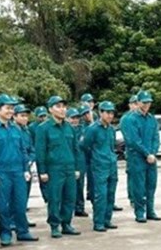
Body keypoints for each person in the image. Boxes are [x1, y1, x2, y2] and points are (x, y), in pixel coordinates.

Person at [0, 94, 38, 246]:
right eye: (7, 108)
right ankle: (5, 233)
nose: (10, 111)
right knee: (3, 205)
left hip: (18, 171)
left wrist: (26, 168)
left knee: (20, 203)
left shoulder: (16, 129)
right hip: (1, 172)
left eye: (12, 108)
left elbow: (23, 150)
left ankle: (23, 231)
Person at [35, 96, 80, 238]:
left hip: (69, 167)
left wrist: (77, 168)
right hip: (54, 168)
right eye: (58, 106)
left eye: (64, 106)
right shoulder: (44, 128)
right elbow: (40, 151)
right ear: (50, 109)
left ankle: (66, 223)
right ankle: (55, 225)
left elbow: (76, 149)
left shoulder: (69, 128)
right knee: (55, 198)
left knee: (70, 197)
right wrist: (42, 171)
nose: (62, 109)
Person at [81, 101, 119, 232]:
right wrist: (95, 157)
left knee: (110, 193)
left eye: (112, 113)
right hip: (99, 165)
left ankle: (107, 220)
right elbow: (85, 145)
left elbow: (112, 146)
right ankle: (98, 222)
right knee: (100, 194)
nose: (110, 115)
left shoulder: (111, 129)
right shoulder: (92, 129)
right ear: (100, 113)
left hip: (111, 164)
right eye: (107, 112)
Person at [125, 90, 160, 223]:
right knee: (138, 186)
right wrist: (147, 153)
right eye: (144, 102)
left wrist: (153, 153)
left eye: (148, 102)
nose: (146, 105)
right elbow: (134, 140)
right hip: (137, 157)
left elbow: (156, 137)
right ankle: (140, 212)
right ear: (138, 102)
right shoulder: (130, 119)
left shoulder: (151, 119)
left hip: (151, 157)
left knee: (151, 185)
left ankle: (150, 210)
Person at [68, 108, 89, 217]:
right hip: (67, 161)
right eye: (72, 118)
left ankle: (79, 207)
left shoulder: (83, 129)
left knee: (79, 185)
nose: (75, 120)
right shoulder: (65, 129)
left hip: (80, 160)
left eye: (76, 118)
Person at [119, 95, 140, 206]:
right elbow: (129, 138)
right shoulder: (126, 118)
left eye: (138, 103)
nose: (137, 106)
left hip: (142, 151)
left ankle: (140, 197)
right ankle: (133, 198)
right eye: (134, 104)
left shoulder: (140, 117)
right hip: (132, 151)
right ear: (130, 105)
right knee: (132, 175)